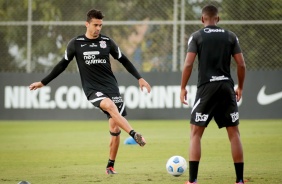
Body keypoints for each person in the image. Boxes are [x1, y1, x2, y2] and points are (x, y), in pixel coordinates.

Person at [29, 9, 151, 175]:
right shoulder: (76, 43)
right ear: (87, 24)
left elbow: (124, 60)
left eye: (100, 25)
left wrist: (140, 78)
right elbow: (61, 65)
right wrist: (43, 82)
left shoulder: (107, 42)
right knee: (108, 105)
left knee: (115, 131)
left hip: (111, 87)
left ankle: (110, 166)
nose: (98, 28)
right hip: (92, 89)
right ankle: (134, 133)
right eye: (95, 25)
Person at [180, 5, 246, 184]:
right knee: (234, 133)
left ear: (202, 19)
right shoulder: (231, 36)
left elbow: (188, 64)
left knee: (195, 133)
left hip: (206, 88)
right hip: (226, 86)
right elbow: (241, 65)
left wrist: (183, 87)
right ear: (218, 18)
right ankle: (239, 180)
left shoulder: (197, 36)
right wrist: (240, 87)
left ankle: (193, 180)